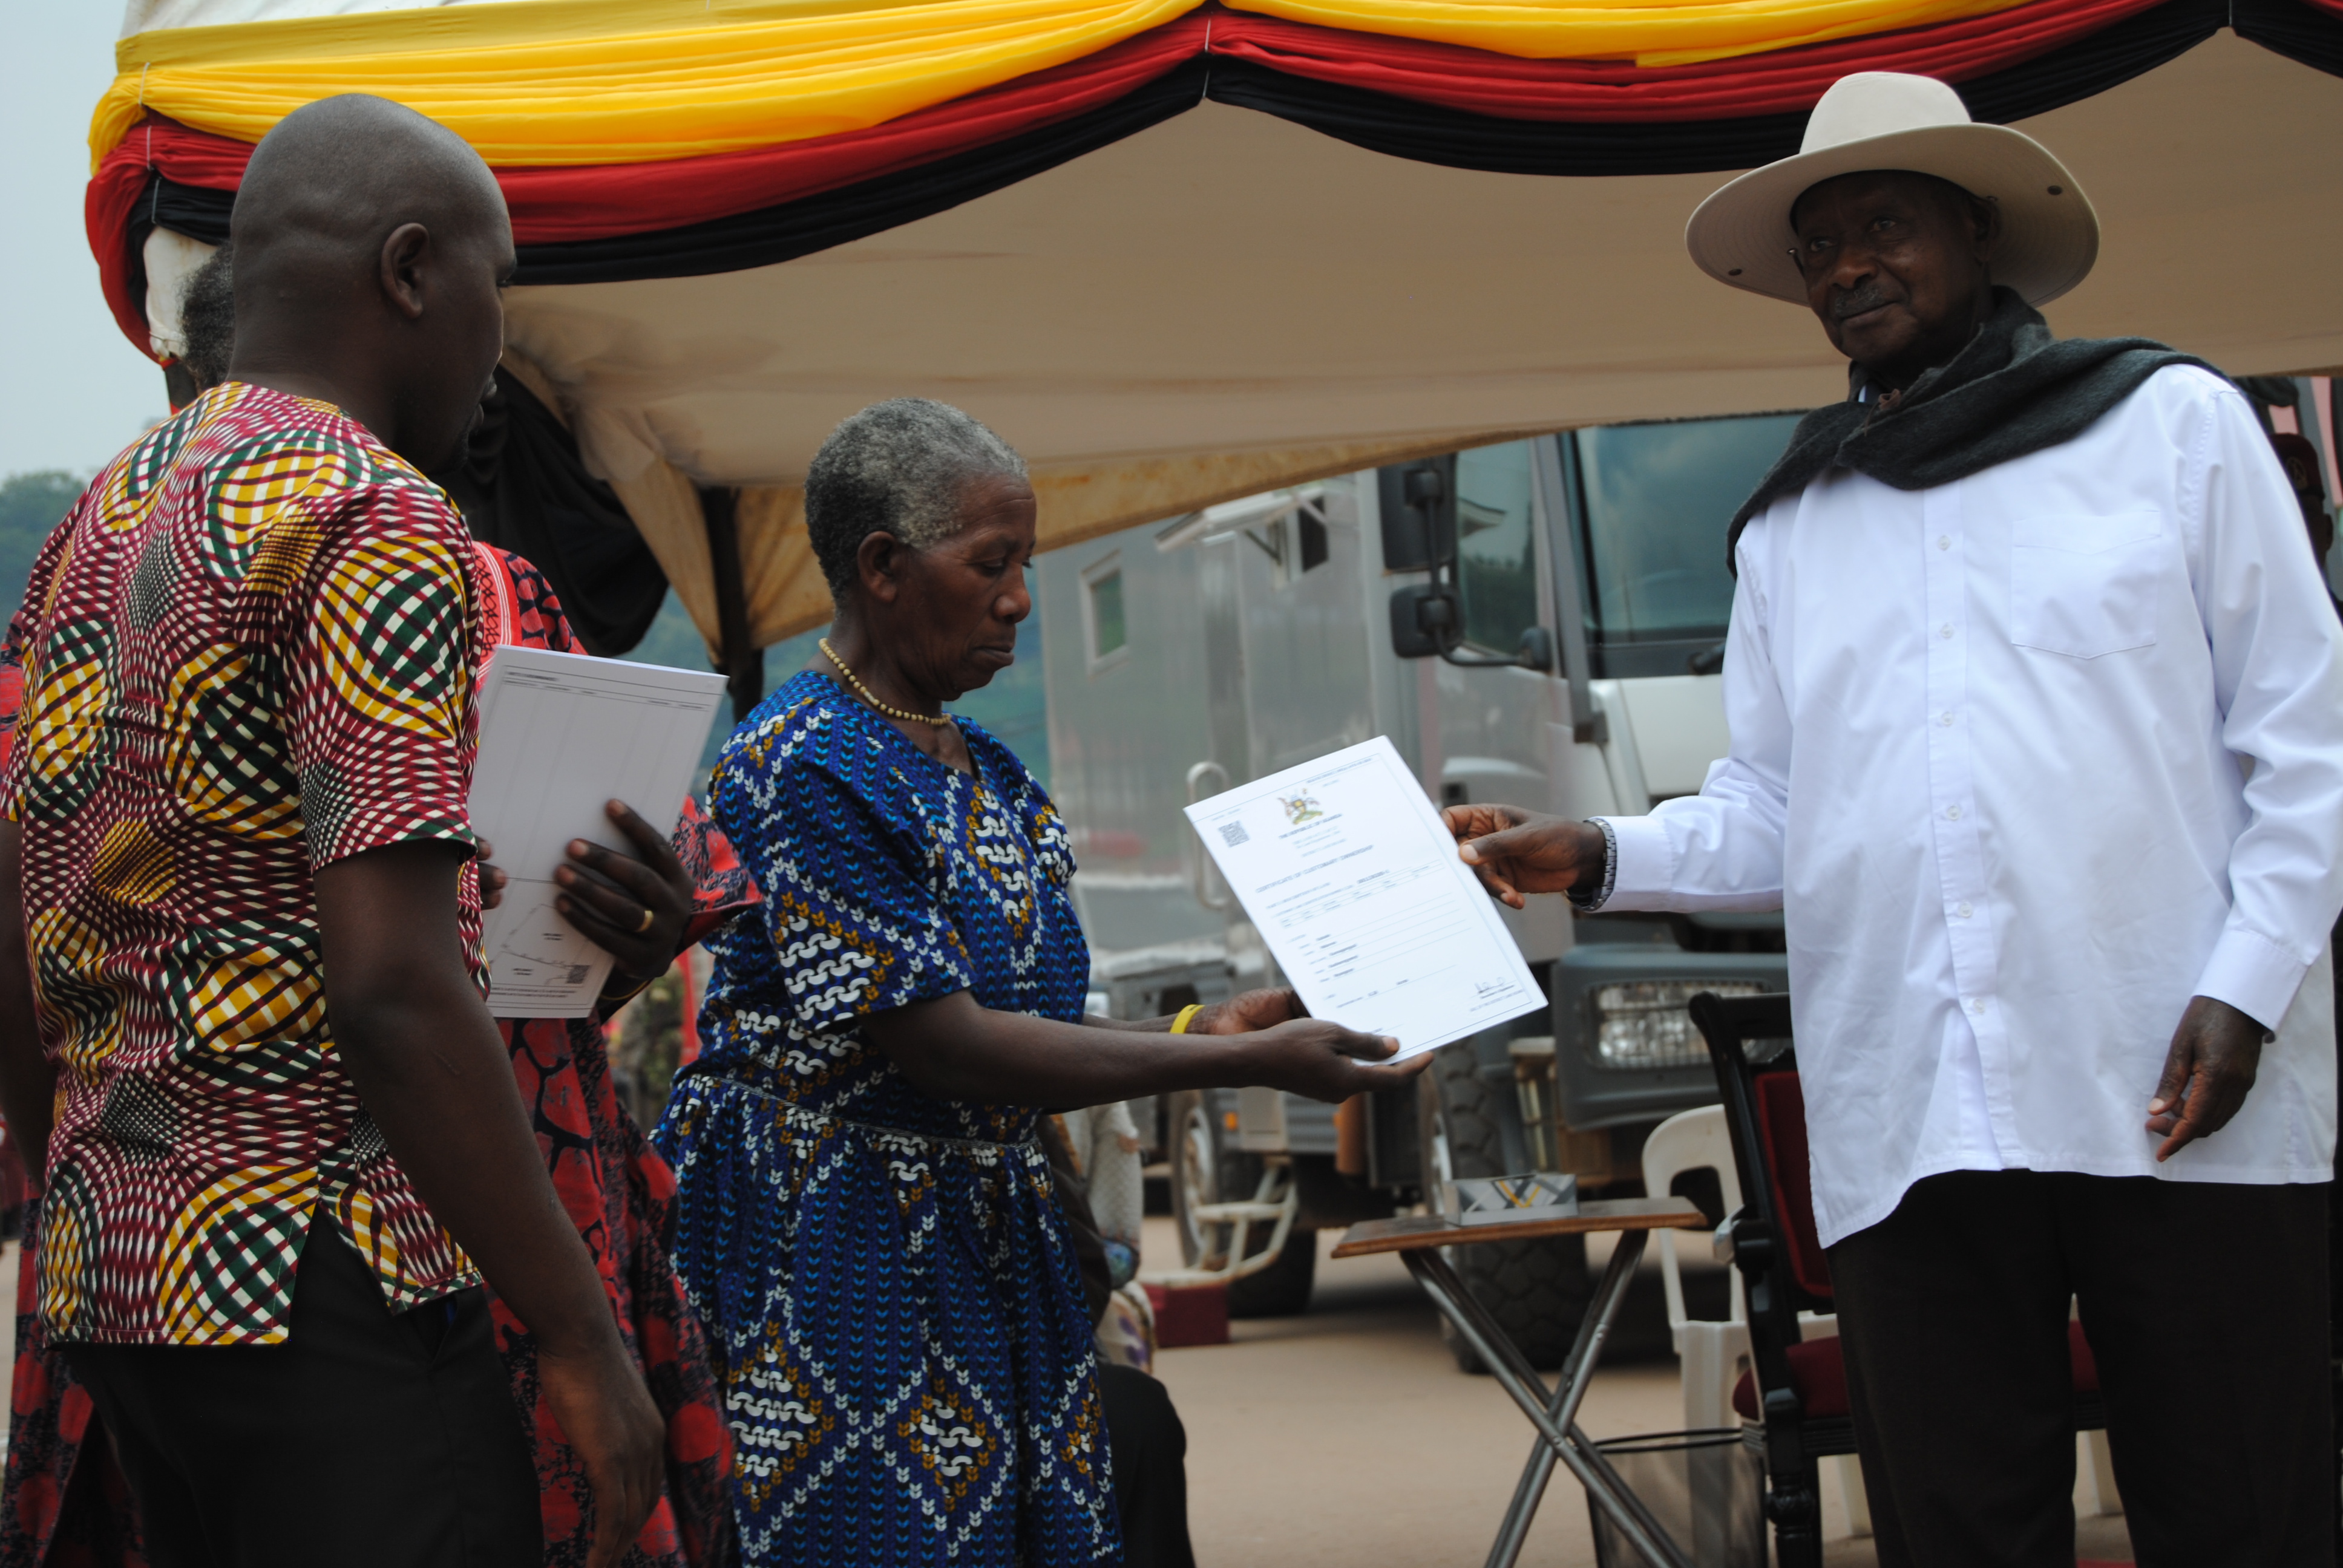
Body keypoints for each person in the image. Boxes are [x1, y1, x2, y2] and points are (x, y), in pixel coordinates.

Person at [1444, 71, 2343, 1567]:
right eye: (1818, 248)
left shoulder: (2169, 427)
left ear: (1978, 233)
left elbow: (2307, 746)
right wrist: (1598, 854)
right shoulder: (1796, 523)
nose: (1847, 266)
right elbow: (1779, 814)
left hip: (2181, 1085)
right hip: (1917, 1112)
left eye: (1884, 225)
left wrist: (2245, 990)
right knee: (1959, 1529)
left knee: (2243, 1511)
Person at [0, 96, 666, 1567]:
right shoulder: (374, 518)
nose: (500, 349)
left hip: (120, 1280)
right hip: (317, 1277)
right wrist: (580, 1333)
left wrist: (69, 1181)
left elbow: (15, 917)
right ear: (415, 271)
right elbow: (390, 980)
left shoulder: (101, 519)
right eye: (498, 287)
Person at [654, 397, 1426, 1566]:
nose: (1020, 596)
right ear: (882, 568)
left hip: (984, 1240)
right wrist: (1236, 1062)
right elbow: (947, 1045)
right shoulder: (803, 761)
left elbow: (1031, 1022)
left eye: (1026, 560)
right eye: (991, 563)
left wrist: (1210, 1024)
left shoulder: (991, 770)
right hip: (843, 1248)